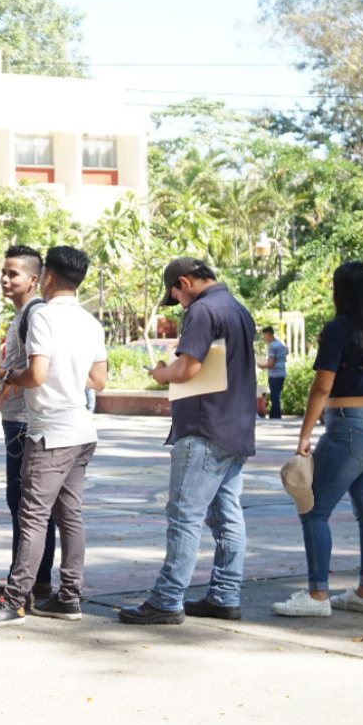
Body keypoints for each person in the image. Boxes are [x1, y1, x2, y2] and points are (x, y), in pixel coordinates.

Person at [0, 246, 107, 627]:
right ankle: (69, 596)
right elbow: (98, 380)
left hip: (51, 432)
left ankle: (12, 601)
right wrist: (65, 377)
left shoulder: (44, 315)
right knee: (70, 516)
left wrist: (7, 377)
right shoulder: (90, 322)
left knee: (32, 517)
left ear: (46, 277)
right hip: (81, 430)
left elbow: (36, 375)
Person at [118, 258, 256, 625]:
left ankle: (166, 598)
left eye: (175, 295)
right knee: (227, 516)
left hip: (204, 428)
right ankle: (225, 594)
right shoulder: (238, 309)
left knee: (184, 516)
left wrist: (161, 373)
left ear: (184, 282)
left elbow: (187, 368)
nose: (178, 302)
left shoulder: (202, 310)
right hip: (234, 427)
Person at [271, 262, 363, 617]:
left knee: (314, 510)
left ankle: (317, 597)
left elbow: (322, 386)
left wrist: (304, 435)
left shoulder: (338, 329)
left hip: (349, 428)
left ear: (339, 291)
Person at [0, 245, 57, 601]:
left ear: (34, 280)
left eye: (13, 273)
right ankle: (36, 579)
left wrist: (5, 376)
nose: (5, 278)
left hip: (25, 423)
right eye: (3, 272)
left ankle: (27, 583)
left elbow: (38, 372)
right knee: (26, 504)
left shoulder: (35, 314)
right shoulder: (23, 314)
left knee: (26, 505)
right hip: (17, 421)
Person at [258, 326, 288, 419]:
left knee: (274, 397)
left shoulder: (272, 346)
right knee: (276, 395)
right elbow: (284, 359)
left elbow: (271, 363)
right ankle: (275, 415)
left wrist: (261, 365)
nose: (264, 338)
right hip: (282, 373)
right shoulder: (281, 344)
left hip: (274, 374)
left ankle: (275, 416)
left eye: (264, 335)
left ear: (268, 334)